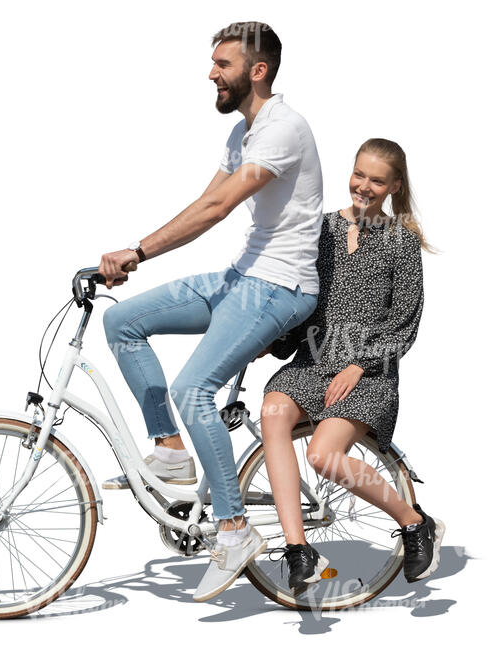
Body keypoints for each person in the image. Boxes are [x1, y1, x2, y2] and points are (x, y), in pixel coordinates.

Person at [97, 21, 323, 602]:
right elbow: (205, 200)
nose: (210, 73)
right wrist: (139, 252)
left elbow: (220, 207)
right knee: (123, 321)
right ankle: (171, 452)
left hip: (280, 287)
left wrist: (138, 251)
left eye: (222, 64)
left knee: (194, 387)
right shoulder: (244, 132)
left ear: (258, 71)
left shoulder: (283, 127)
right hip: (242, 277)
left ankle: (234, 528)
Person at [258, 138, 445, 596]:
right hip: (314, 361)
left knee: (323, 455)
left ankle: (414, 522)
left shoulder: (401, 240)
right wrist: (268, 337)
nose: (363, 186)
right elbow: (299, 294)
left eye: (377, 180)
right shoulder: (320, 230)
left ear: (395, 186)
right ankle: (299, 550)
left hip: (370, 371)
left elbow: (405, 318)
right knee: (272, 413)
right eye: (358, 174)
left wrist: (359, 365)